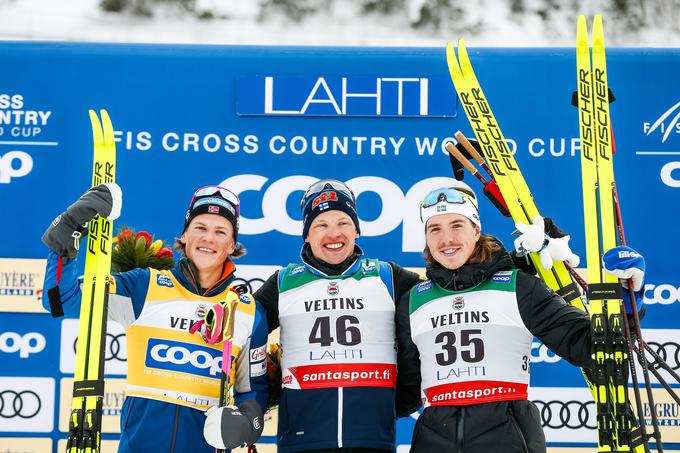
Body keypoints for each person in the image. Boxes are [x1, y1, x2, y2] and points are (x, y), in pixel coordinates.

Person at [395, 186, 646, 453]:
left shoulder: (517, 287)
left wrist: (629, 302)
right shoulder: (414, 301)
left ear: (476, 230)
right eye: (435, 229)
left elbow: (590, 347)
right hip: (433, 441)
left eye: (457, 225)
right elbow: (407, 391)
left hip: (509, 438)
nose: (446, 239)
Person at [41, 183, 269, 452]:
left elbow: (253, 390)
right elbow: (62, 300)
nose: (209, 238)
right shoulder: (144, 287)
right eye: (200, 227)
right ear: (185, 235)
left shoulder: (248, 311)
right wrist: (69, 227)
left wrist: (246, 422)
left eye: (221, 232)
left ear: (232, 244)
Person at [249, 179, 422, 453]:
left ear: (356, 230)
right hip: (300, 442)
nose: (334, 234)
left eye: (343, 223)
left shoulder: (389, 277)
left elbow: (448, 294)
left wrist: (507, 266)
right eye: (321, 225)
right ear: (306, 234)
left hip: (372, 441)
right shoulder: (283, 283)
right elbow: (240, 330)